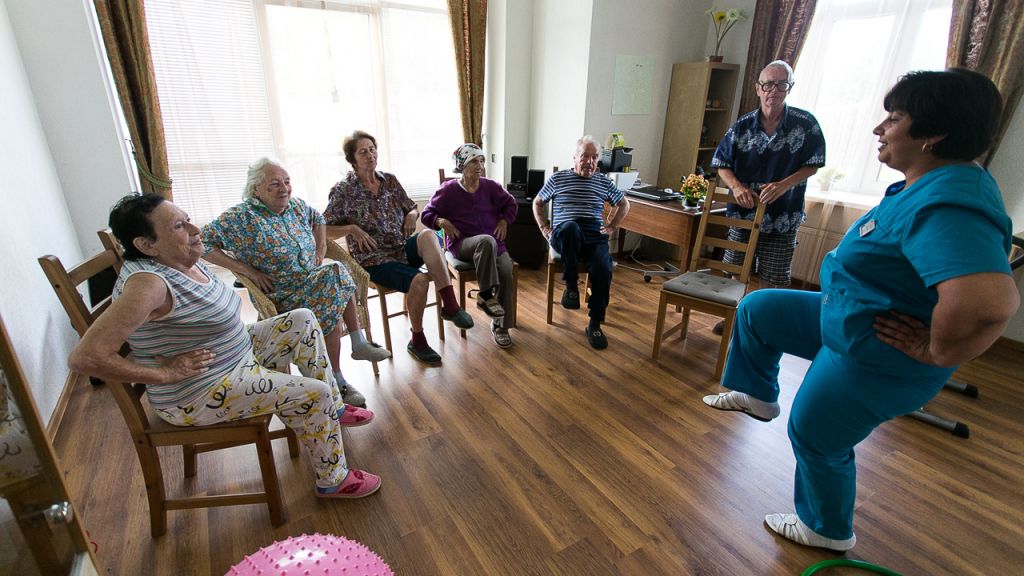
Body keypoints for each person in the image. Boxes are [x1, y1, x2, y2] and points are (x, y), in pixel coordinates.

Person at [702, 69, 1018, 551]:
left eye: (893, 119)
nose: (879, 128)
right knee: (759, 308)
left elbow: (990, 305)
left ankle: (826, 529)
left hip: (875, 352)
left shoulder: (949, 204)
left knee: (813, 431)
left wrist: (935, 350)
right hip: (845, 316)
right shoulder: (928, 182)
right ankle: (758, 394)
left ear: (933, 135)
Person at [69, 194, 384, 499]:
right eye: (179, 227)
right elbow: (85, 357)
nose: (195, 230)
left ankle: (333, 411)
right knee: (316, 393)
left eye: (188, 220)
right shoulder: (148, 285)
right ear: (146, 245)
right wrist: (164, 374)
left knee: (302, 319)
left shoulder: (182, 257)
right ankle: (333, 480)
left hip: (234, 356)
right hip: (201, 390)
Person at [202, 158, 390, 409]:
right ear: (256, 189)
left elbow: (319, 219)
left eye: (287, 182)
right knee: (335, 274)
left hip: (311, 283)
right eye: (274, 184)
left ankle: (338, 379)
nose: (284, 189)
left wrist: (321, 246)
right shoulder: (241, 217)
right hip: (282, 293)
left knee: (333, 279)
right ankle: (354, 350)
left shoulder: (297, 206)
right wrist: (245, 270)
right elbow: (202, 244)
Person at [323, 130, 474, 365]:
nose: (370, 155)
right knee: (420, 281)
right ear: (352, 159)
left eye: (372, 149)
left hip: (401, 248)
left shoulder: (389, 180)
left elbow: (412, 207)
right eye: (363, 152)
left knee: (427, 235)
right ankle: (418, 340)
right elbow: (324, 229)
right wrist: (351, 229)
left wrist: (411, 216)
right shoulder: (343, 191)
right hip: (375, 261)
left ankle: (451, 306)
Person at [710, 60, 826, 334]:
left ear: (789, 88)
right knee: (734, 271)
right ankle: (733, 318)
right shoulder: (742, 126)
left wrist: (785, 184)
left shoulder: (805, 123)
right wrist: (736, 187)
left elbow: (814, 162)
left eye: (780, 84)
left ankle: (763, 325)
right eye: (768, 84)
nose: (773, 90)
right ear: (758, 89)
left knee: (773, 276)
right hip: (744, 213)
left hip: (783, 215)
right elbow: (721, 162)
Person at [532, 135, 630, 349]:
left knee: (604, 267)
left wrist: (612, 226)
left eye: (595, 157)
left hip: (593, 234)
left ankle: (595, 324)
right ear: (575, 158)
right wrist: (544, 228)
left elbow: (624, 204)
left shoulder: (603, 181)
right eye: (585, 156)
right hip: (564, 233)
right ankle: (571, 287)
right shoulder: (558, 178)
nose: (590, 162)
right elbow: (537, 202)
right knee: (571, 228)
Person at [421, 144, 519, 348]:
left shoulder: (491, 186)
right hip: (463, 244)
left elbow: (511, 204)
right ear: (462, 166)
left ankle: (501, 326)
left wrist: (504, 221)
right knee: (485, 241)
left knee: (506, 269)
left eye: (482, 161)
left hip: (494, 244)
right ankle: (485, 295)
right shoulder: (448, 190)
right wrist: (441, 222)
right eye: (474, 161)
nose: (480, 165)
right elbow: (426, 214)